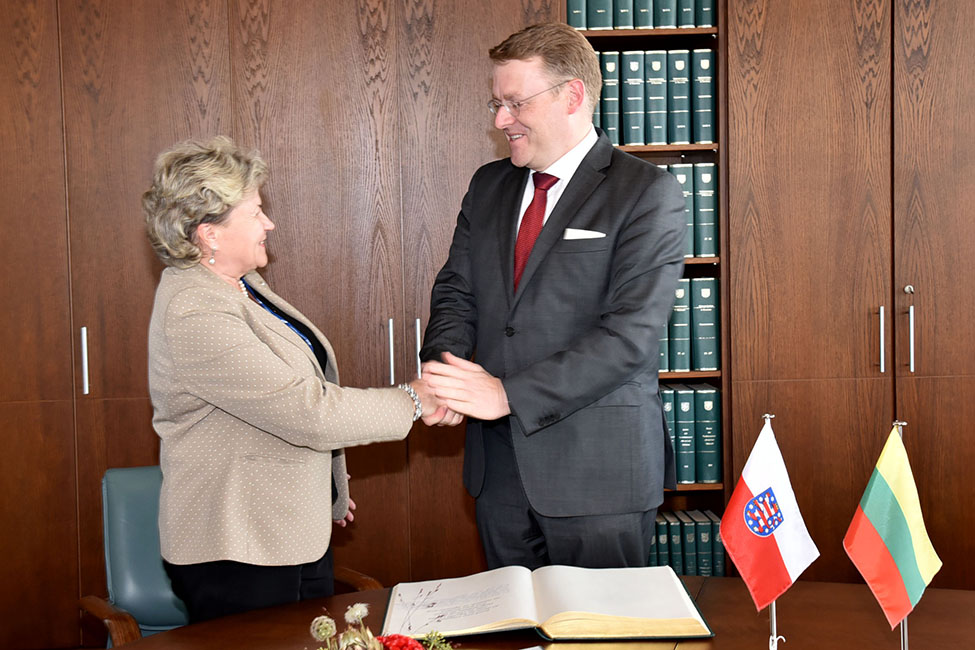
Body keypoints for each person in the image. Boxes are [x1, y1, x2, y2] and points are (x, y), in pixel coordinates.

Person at [420, 23, 685, 569]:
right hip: (499, 477)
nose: (500, 120)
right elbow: (456, 291)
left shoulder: (644, 193)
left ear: (572, 95)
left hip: (599, 478)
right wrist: (444, 373)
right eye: (496, 103)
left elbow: (627, 338)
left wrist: (506, 394)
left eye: (515, 102)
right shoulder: (488, 185)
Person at [143, 136, 441, 622]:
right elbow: (308, 411)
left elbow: (283, 407)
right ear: (209, 233)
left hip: (287, 530)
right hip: (236, 547)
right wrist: (414, 399)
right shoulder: (194, 310)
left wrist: (326, 492)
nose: (269, 223)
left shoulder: (242, 286)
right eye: (255, 212)